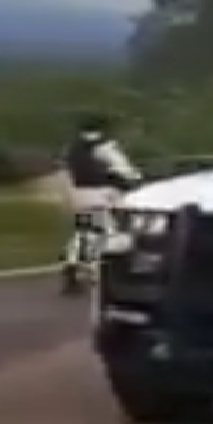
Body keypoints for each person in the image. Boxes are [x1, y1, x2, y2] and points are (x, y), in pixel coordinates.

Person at [59, 112, 144, 292]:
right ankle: (100, 273)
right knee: (110, 232)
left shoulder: (73, 148)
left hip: (80, 194)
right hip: (103, 193)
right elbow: (125, 169)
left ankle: (73, 267)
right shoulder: (105, 146)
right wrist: (136, 179)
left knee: (85, 231)